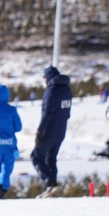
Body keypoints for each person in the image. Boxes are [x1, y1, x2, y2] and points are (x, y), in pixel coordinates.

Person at [31, 66, 72, 198]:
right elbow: (67, 114)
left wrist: (39, 131)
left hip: (49, 131)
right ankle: (52, 188)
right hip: (61, 131)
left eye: (44, 77)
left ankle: (50, 183)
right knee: (51, 158)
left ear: (48, 77)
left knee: (36, 156)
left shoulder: (51, 91)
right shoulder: (67, 90)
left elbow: (47, 113)